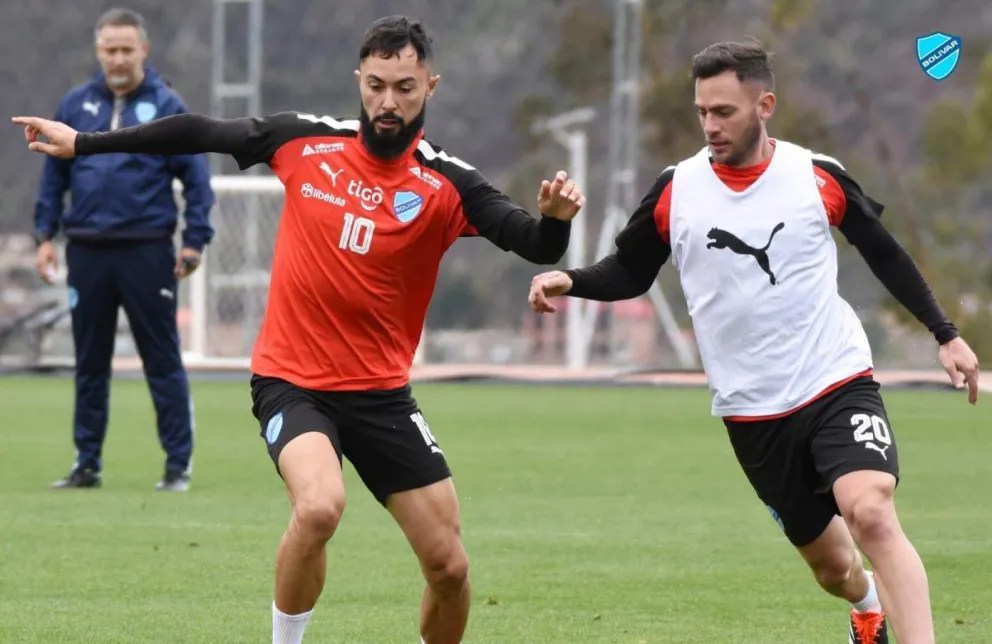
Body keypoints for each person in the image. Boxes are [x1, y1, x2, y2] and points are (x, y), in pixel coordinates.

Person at [15, 14, 583, 644]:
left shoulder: (450, 184)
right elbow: (201, 130)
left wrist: (556, 221)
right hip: (292, 382)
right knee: (319, 508)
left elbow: (535, 242)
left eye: (404, 88)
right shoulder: (305, 142)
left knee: (449, 567)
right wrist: (85, 143)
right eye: (376, 85)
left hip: (381, 396)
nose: (387, 102)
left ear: (431, 86)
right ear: (359, 80)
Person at [527, 39, 979, 644]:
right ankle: (866, 604)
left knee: (871, 511)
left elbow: (884, 253)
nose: (710, 126)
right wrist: (571, 280)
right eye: (702, 112)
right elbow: (630, 272)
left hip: (835, 379)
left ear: (764, 106)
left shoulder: (816, 175)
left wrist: (945, 333)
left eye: (724, 112)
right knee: (834, 568)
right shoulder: (676, 189)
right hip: (752, 410)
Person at [32, 7, 214, 493]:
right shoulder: (75, 105)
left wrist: (194, 241)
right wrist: (45, 237)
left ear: (143, 51)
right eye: (109, 49)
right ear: (98, 51)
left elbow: (197, 183)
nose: (117, 58)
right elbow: (54, 177)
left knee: (162, 359)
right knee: (90, 363)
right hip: (86, 251)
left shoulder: (168, 105)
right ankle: (86, 463)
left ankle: (177, 466)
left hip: (147, 251)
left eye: (126, 50)